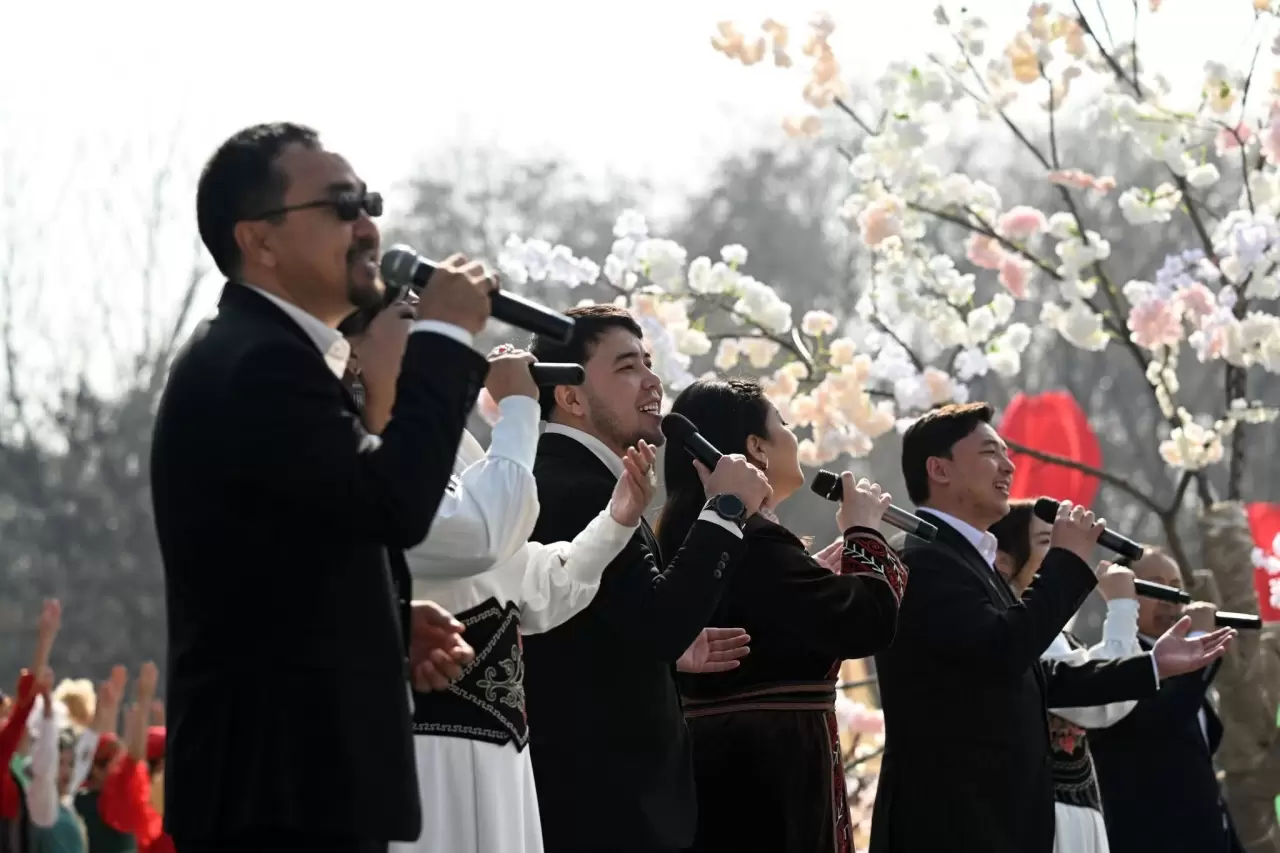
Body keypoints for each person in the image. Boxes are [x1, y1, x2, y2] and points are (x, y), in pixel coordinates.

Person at [150, 122, 499, 853]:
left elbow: (285, 548)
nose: (368, 224)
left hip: (295, 786)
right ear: (261, 240)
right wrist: (440, 342)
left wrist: (385, 618)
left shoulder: (273, 359)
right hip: (278, 788)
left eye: (368, 200)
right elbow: (392, 501)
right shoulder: (258, 364)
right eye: (341, 204)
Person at [342, 302, 663, 853]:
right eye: (407, 317)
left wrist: (616, 521)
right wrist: (518, 407)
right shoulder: (353, 454)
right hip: (422, 750)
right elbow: (477, 535)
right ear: (352, 351)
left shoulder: (452, 451)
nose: (436, 332)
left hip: (500, 761)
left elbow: (531, 584)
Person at [868, 403, 1237, 853]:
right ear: (939, 469)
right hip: (955, 816)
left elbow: (1043, 677)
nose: (1008, 465)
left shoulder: (969, 562)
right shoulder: (922, 558)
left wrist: (1153, 664)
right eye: (990, 452)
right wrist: (1065, 560)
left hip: (1001, 818)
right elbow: (1004, 652)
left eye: (1007, 453)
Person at [524, 305, 772, 853]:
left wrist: (665, 652)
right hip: (605, 806)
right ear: (569, 395)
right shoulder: (577, 489)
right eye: (627, 367)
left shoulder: (580, 479)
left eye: (650, 363)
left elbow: (613, 620)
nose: (653, 380)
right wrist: (726, 509)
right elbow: (658, 622)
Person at [654, 378, 908, 853]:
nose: (795, 437)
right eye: (784, 426)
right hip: (775, 777)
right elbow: (866, 622)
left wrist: (817, 576)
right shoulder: (757, 542)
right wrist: (864, 534)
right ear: (756, 447)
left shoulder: (697, 539)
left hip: (725, 767)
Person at [990, 499, 1144, 853]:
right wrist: (1122, 608)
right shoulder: (1015, 630)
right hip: (1044, 816)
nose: (1067, 551)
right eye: (1049, 541)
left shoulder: (1057, 635)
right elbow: (1101, 701)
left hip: (1077, 810)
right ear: (1003, 560)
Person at [1088, 548, 1246, 853]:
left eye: (1176, 586)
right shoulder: (1111, 668)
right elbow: (1161, 722)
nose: (1169, 597)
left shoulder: (1188, 676)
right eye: (1155, 585)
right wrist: (1200, 639)